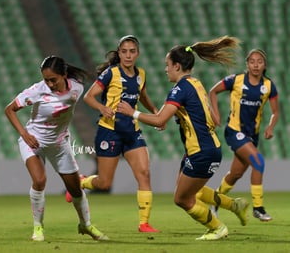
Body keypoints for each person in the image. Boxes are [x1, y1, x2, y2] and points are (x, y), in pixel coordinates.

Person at [117, 35, 249, 240]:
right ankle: (234, 205)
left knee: (182, 199)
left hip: (202, 152)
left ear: (177, 66)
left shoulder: (180, 89)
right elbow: (213, 119)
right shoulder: (195, 84)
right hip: (204, 148)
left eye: (167, 65)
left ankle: (218, 228)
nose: (165, 69)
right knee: (190, 192)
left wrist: (131, 112)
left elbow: (161, 120)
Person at [4, 55, 108, 242]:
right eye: (46, 80)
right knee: (39, 180)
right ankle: (38, 228)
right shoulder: (37, 91)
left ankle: (86, 225)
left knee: (76, 189)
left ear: (64, 75)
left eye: (53, 79)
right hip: (34, 142)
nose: (50, 84)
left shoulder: (77, 88)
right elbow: (9, 109)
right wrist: (25, 135)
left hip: (60, 144)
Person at [74, 35, 160, 233]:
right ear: (119, 53)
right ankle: (82, 182)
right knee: (104, 183)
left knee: (145, 174)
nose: (128, 55)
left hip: (132, 132)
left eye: (132, 51)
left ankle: (144, 223)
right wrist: (102, 108)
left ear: (137, 53)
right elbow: (88, 97)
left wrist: (155, 110)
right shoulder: (110, 73)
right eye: (124, 51)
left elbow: (142, 95)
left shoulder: (141, 75)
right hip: (109, 132)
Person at [209, 48, 279, 222]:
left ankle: (214, 201)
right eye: (252, 61)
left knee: (235, 174)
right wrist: (215, 115)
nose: (256, 65)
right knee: (258, 162)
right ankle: (258, 207)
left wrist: (270, 127)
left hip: (251, 137)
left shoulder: (269, 86)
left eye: (259, 62)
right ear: (247, 64)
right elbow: (212, 92)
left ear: (264, 65)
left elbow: (275, 112)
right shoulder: (236, 80)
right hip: (234, 131)